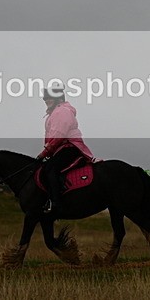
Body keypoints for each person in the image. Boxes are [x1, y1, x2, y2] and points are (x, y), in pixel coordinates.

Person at [36, 86, 93, 214]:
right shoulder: (54, 113)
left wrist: (44, 152)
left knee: (50, 168)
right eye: (45, 98)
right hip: (61, 147)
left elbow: (58, 135)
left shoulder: (61, 111)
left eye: (49, 98)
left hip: (70, 146)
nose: (46, 100)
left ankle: (56, 203)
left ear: (58, 99)